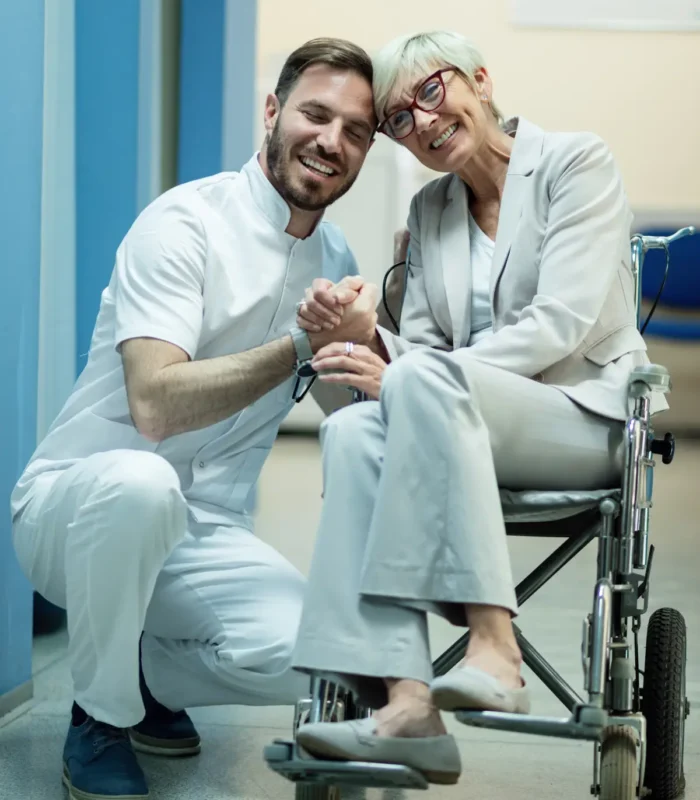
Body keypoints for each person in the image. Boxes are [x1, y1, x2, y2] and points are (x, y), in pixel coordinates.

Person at [289, 29, 668, 785]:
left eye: (431, 92)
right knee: (356, 428)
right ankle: (405, 701)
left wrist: (409, 368)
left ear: (480, 81)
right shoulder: (433, 210)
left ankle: (497, 647)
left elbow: (561, 322)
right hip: (459, 423)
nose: (422, 123)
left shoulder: (575, 164)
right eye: (399, 119)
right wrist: (362, 336)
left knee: (417, 381)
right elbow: (422, 341)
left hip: (581, 419)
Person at [10, 38, 382, 800]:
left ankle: (142, 674)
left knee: (332, 659)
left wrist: (372, 355)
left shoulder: (336, 253)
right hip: (80, 503)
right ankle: (100, 716)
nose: (331, 141)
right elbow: (155, 404)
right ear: (273, 113)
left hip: (204, 530)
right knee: (142, 484)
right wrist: (304, 342)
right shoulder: (184, 222)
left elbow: (339, 401)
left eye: (355, 130)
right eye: (316, 114)